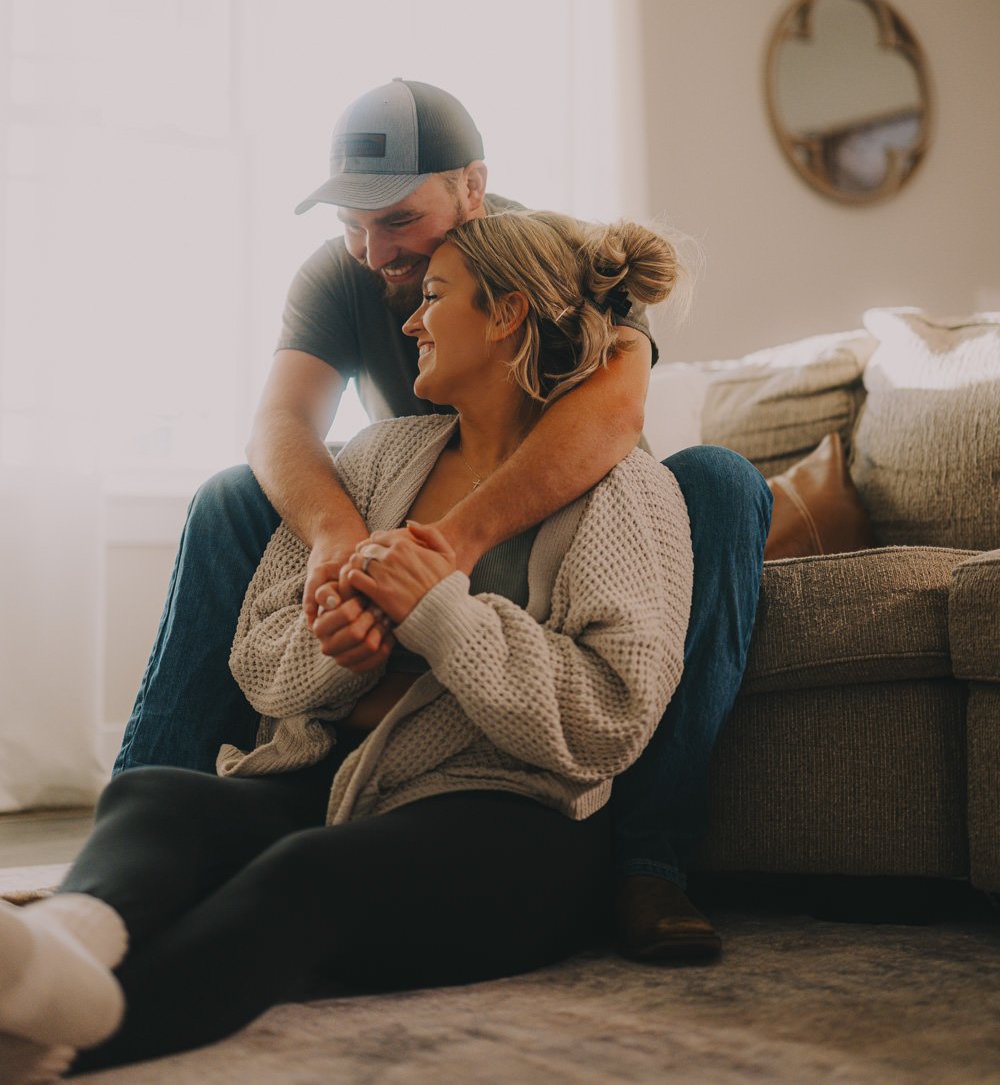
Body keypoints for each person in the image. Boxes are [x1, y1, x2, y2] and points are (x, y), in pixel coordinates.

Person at [0, 210, 695, 1079]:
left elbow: (611, 716)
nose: (409, 323)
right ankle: (56, 953)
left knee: (305, 875)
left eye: (434, 296)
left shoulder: (627, 490)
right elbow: (259, 656)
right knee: (153, 798)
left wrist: (439, 613)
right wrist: (334, 644)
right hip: (339, 786)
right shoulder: (376, 458)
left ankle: (65, 1042)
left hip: (513, 824)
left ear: (509, 314)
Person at [113, 78, 772, 959]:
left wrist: (447, 548)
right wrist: (341, 542)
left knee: (724, 483)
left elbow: (615, 415)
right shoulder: (343, 271)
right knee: (230, 496)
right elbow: (281, 422)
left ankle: (649, 862)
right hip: (417, 498)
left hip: (555, 521)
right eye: (351, 223)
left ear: (472, 186)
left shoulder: (557, 257)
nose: (373, 249)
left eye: (396, 220)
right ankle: (152, 828)